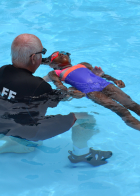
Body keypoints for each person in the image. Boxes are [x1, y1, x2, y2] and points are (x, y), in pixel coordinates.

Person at [0, 34, 112, 167]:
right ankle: (81, 154)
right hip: (26, 130)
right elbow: (68, 96)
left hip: (2, 126)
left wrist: (47, 78)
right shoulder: (39, 86)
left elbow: (25, 88)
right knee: (85, 119)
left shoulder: (2, 71)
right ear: (34, 58)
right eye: (42, 52)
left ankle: (17, 142)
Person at [42, 51, 140, 132]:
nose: (61, 54)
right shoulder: (54, 73)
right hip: (90, 91)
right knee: (121, 111)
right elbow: (60, 87)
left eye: (64, 52)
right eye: (57, 55)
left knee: (131, 103)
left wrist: (114, 80)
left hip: (105, 84)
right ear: (52, 64)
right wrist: (71, 92)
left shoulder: (83, 64)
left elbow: (100, 75)